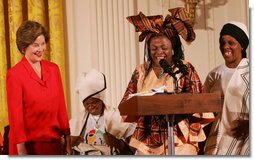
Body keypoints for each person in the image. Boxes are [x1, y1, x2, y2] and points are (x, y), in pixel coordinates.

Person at [120, 7, 214, 155]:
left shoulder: (184, 68)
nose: (159, 52)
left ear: (173, 48)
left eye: (164, 48)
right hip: (148, 138)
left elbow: (199, 102)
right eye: (153, 48)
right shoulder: (141, 72)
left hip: (180, 138)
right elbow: (125, 104)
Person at [6, 20, 71, 155]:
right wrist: (21, 151)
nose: (41, 49)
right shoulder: (14, 74)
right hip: (27, 146)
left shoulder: (54, 69)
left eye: (43, 44)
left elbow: (61, 107)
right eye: (36, 45)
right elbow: (15, 116)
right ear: (24, 47)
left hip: (52, 144)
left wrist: (67, 139)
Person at [204, 21, 249, 155]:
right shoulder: (214, 75)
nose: (225, 47)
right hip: (219, 137)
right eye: (222, 42)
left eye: (231, 43)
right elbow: (205, 110)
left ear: (242, 46)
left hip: (245, 137)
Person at [69, 69, 135, 155]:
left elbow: (131, 147)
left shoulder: (115, 116)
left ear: (101, 100)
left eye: (94, 102)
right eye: (87, 104)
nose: (90, 106)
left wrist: (116, 142)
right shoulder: (78, 119)